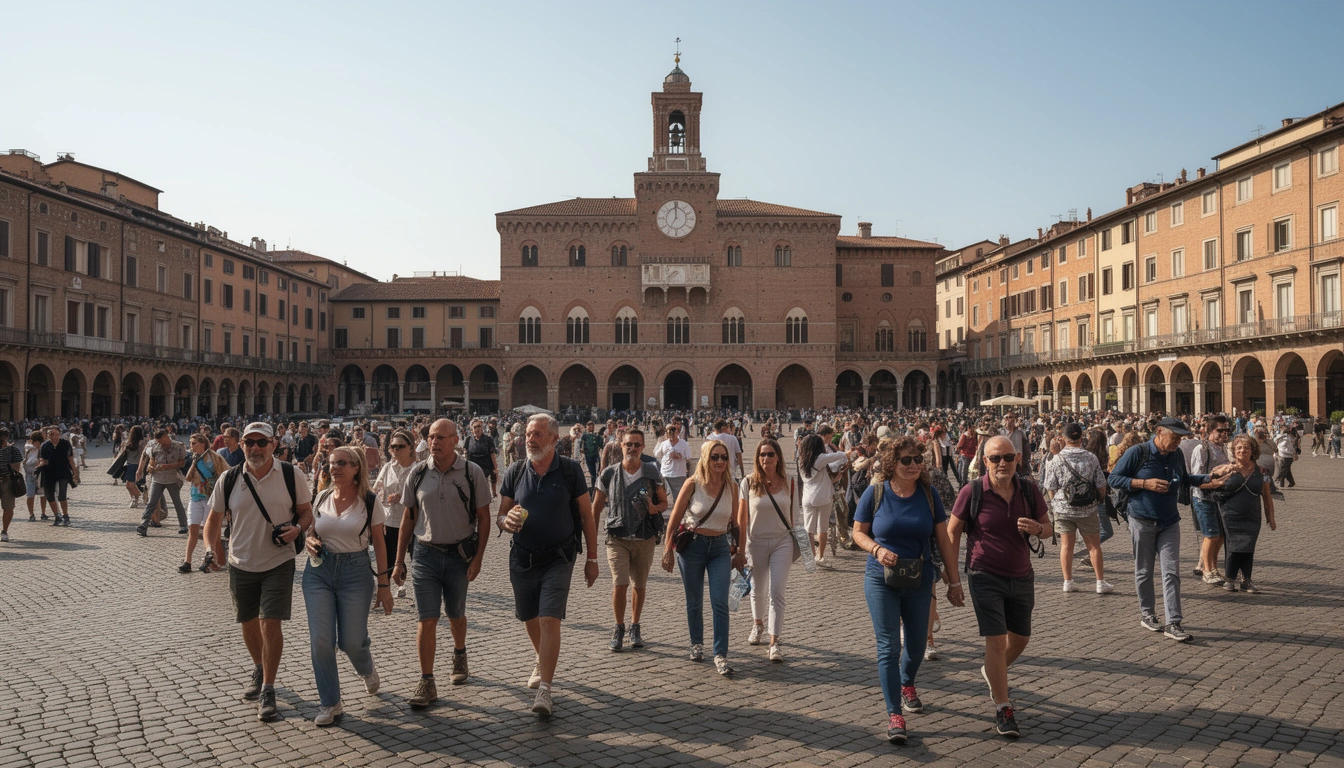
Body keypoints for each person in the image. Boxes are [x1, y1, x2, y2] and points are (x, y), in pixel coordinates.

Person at [852, 436, 963, 745]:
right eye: (906, 460)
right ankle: (894, 714)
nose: (913, 465)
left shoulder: (929, 495)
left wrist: (954, 583)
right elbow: (858, 532)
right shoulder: (875, 494)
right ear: (892, 464)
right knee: (888, 646)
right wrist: (876, 549)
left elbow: (944, 541)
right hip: (880, 578)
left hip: (919, 577)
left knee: (916, 646)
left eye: (917, 459)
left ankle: (907, 683)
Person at [203, 422, 313, 722]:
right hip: (241, 561)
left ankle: (268, 687)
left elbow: (306, 512)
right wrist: (210, 549)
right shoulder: (229, 478)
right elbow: (213, 520)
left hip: (279, 560)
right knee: (248, 622)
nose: (254, 448)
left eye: (261, 443)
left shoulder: (292, 475)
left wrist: (298, 528)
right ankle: (259, 666)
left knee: (269, 621)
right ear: (242, 445)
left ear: (273, 444)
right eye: (249, 442)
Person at [946, 435, 1050, 739]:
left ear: (1017, 458)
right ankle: (1004, 707)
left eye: (1007, 457)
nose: (1002, 463)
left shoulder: (1029, 489)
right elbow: (952, 532)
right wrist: (953, 578)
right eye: (995, 458)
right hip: (984, 574)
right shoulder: (973, 491)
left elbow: (1048, 528)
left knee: (1020, 639)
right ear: (984, 461)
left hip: (1021, 574)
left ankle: (993, 670)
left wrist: (1038, 528)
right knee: (994, 640)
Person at [497, 414, 598, 718]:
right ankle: (542, 659)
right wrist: (507, 521)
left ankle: (546, 689)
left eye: (538, 434)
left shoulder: (569, 470)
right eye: (528, 434)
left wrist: (592, 559)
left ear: (555, 439)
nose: (530, 439)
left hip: (559, 557)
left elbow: (586, 515)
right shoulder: (515, 471)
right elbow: (500, 515)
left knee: (549, 619)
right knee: (529, 616)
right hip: (523, 557)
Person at [392, 419, 491, 710]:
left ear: (456, 440)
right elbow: (408, 518)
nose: (434, 442)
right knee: (427, 618)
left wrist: (479, 558)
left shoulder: (472, 473)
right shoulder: (418, 473)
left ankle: (460, 652)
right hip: (425, 554)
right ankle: (427, 680)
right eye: (431, 436)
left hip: (459, 555)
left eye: (441, 437)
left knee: (455, 614)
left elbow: (484, 518)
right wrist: (399, 561)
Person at [1107, 417, 1229, 644]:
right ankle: (1148, 614)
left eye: (1181, 438)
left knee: (1171, 571)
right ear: (1160, 432)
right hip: (1141, 519)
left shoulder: (1176, 454)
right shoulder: (1138, 452)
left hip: (1170, 521)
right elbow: (1113, 478)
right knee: (1144, 570)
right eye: (1175, 438)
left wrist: (1211, 477)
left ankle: (1174, 622)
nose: (1178, 442)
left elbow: (1184, 479)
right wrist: (1144, 484)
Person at [302, 445, 394, 726]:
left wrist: (384, 584)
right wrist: (309, 541)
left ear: (356, 468)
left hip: (355, 573)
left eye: (342, 463)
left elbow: (379, 542)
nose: (335, 468)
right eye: (331, 463)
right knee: (321, 640)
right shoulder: (321, 496)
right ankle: (331, 703)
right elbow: (313, 531)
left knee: (351, 642)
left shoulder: (369, 500)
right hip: (319, 571)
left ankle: (366, 668)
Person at [661, 439, 744, 676]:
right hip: (693, 547)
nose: (719, 461)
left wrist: (739, 551)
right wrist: (667, 549)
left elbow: (735, 523)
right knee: (694, 600)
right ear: (706, 458)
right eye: (714, 457)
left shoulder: (732, 487)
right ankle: (696, 643)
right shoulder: (692, 483)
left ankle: (720, 654)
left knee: (720, 601)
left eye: (724, 457)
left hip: (719, 547)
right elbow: (675, 519)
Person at [591, 428, 667, 652]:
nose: (632, 448)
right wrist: (592, 540)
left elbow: (664, 503)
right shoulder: (608, 474)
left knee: (639, 585)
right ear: (620, 446)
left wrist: (655, 508)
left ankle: (635, 625)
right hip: (617, 535)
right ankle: (618, 627)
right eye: (628, 444)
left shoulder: (653, 472)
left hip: (644, 535)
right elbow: (595, 508)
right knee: (620, 583)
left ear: (643, 448)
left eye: (637, 445)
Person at [737, 438, 798, 662]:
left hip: (782, 541)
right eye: (762, 455)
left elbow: (795, 517)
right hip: (756, 542)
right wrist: (740, 549)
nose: (766, 459)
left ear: (778, 457)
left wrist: (807, 550)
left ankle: (774, 642)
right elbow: (741, 519)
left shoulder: (790, 482)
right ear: (757, 458)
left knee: (777, 592)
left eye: (771, 454)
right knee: (758, 589)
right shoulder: (748, 482)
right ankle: (758, 624)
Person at [1040, 423, 1112, 594]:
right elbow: (1101, 484)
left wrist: (1056, 503)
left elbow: (1049, 486)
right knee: (1094, 546)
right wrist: (1099, 500)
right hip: (1087, 508)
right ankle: (1100, 582)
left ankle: (1068, 581)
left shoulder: (1056, 459)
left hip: (1063, 509)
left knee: (1066, 545)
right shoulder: (1091, 458)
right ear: (1081, 438)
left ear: (1064, 438)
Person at [1216, 434, 1277, 593]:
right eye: (1239, 448)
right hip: (1230, 514)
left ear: (1253, 451)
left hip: (1252, 515)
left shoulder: (1262, 471)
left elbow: (1267, 496)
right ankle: (1229, 579)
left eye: (1246, 448)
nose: (1242, 451)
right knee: (1233, 546)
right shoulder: (1226, 468)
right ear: (1234, 452)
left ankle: (1246, 580)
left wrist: (1271, 517)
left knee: (1249, 546)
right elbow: (1210, 482)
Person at [374, 428, 417, 598]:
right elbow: (377, 488)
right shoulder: (387, 467)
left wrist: (402, 497)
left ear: (410, 448)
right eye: (393, 447)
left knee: (416, 559)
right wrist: (381, 495)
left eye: (400, 446)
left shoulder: (418, 469)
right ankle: (395, 585)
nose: (396, 450)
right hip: (391, 519)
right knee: (390, 558)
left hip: (413, 522)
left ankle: (419, 592)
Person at [1190, 416, 1232, 585]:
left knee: (1221, 536)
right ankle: (1206, 570)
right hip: (1204, 498)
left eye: (1227, 430)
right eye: (1220, 430)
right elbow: (1196, 478)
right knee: (1211, 535)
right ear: (1210, 431)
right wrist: (1217, 482)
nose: (1224, 434)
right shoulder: (1201, 449)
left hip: (1220, 498)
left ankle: (1213, 568)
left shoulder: (1224, 448)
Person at [797, 433, 848, 568]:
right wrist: (847, 452)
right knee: (822, 528)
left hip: (807, 496)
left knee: (808, 529)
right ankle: (820, 556)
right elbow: (838, 456)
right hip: (823, 497)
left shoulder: (801, 460)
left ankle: (811, 557)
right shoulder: (819, 458)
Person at [182, 434, 228, 573]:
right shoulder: (194, 458)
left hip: (210, 498)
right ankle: (187, 561)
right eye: (191, 443)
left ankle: (211, 560)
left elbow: (225, 473)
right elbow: (189, 477)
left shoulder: (214, 457)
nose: (191, 446)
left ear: (203, 444)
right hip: (195, 497)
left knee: (212, 531)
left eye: (194, 443)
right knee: (193, 529)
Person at [137, 429, 189, 537]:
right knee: (152, 502)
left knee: (177, 502)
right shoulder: (153, 445)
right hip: (157, 478)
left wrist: (169, 466)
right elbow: (145, 455)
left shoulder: (179, 446)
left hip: (172, 478)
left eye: (162, 441)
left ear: (166, 436)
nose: (160, 443)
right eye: (158, 441)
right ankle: (143, 524)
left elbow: (182, 462)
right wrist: (141, 469)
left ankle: (183, 525)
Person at [37, 426, 77, 527]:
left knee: (62, 495)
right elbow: (42, 457)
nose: (53, 436)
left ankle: (66, 515)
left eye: (55, 434)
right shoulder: (45, 445)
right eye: (50, 434)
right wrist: (42, 462)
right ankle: (57, 515)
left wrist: (75, 472)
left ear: (59, 434)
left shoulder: (65, 444)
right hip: (49, 472)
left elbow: (70, 458)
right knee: (49, 496)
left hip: (63, 472)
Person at [653, 423, 691, 502]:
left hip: (679, 473)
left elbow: (688, 457)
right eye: (670, 435)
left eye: (674, 435)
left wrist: (680, 456)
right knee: (664, 496)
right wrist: (668, 456)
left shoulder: (683, 443)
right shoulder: (664, 443)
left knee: (679, 497)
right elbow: (657, 454)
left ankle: (677, 512)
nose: (672, 438)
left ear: (677, 433)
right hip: (666, 473)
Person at [464, 419, 499, 498]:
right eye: (475, 427)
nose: (477, 429)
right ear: (471, 429)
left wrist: (495, 468)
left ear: (482, 428)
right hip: (472, 465)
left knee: (483, 487)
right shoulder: (468, 440)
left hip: (485, 466)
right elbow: (466, 453)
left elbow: (492, 454)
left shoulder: (488, 439)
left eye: (479, 426)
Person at [0, 428, 22, 542]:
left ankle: (4, 531)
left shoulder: (13, 450)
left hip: (7, 481)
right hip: (6, 480)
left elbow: (17, 468)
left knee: (8, 508)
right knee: (8, 508)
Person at [23, 431, 45, 521]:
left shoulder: (42, 448)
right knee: (30, 494)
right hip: (30, 473)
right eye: (34, 441)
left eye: (37, 442)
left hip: (39, 473)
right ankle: (31, 514)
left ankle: (43, 513)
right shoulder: (29, 447)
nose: (35, 444)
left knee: (43, 494)